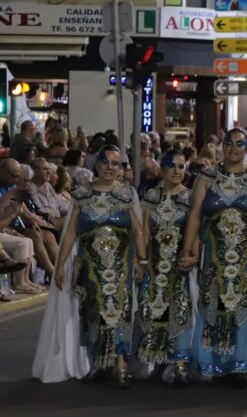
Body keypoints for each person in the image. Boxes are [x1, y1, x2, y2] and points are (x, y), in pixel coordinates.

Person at [42, 145, 145, 386]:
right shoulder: (81, 194)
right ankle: (98, 361)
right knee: (93, 314)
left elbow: (138, 230)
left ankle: (120, 364)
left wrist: (142, 260)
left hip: (120, 267)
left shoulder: (127, 194)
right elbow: (70, 232)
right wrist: (60, 265)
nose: (110, 167)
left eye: (115, 163)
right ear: (95, 165)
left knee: (120, 312)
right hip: (90, 266)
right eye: (106, 162)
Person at [179, 128, 247, 386]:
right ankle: (216, 362)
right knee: (215, 304)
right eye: (229, 143)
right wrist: (189, 250)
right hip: (215, 254)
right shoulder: (206, 177)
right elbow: (195, 216)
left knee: (245, 304)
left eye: (240, 144)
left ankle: (242, 364)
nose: (233, 148)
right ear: (222, 146)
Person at [136, 150, 194, 384]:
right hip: (155, 264)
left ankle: (179, 364)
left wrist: (193, 256)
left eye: (181, 167)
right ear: (162, 169)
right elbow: (144, 231)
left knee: (180, 311)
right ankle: (159, 361)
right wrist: (141, 261)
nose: (177, 171)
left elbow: (196, 230)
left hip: (179, 267)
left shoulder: (190, 197)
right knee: (153, 311)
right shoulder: (151, 196)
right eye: (172, 166)